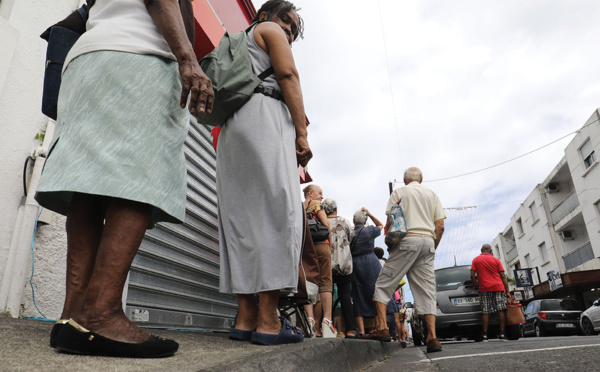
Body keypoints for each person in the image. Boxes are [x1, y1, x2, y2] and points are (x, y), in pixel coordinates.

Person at [34, 0, 213, 357]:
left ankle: (73, 316)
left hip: (89, 60)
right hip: (139, 57)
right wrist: (187, 58)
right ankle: (102, 312)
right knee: (135, 181)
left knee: (87, 185)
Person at [217, 0, 312, 346]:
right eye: (287, 21)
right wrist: (301, 132)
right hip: (266, 116)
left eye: (293, 30)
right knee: (276, 213)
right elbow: (288, 75)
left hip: (234, 125)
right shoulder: (268, 31)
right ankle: (269, 321)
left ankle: (245, 317)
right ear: (264, 15)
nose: (288, 30)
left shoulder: (237, 40)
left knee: (240, 218)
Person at [370, 167, 446, 353]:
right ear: (421, 179)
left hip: (407, 240)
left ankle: (382, 328)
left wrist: (391, 245)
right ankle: (432, 337)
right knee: (426, 291)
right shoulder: (432, 194)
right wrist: (431, 248)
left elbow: (390, 221)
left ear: (405, 180)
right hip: (428, 241)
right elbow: (440, 226)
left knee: (383, 284)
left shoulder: (399, 192)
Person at [302, 185, 336, 338]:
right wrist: (330, 245)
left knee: (307, 282)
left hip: (305, 248)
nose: (322, 197)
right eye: (320, 193)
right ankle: (327, 321)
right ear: (310, 193)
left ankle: (309, 320)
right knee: (325, 282)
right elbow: (326, 225)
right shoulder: (317, 205)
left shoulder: (299, 207)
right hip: (321, 246)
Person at [322, 198, 358, 338]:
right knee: (345, 296)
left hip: (327, 265)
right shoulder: (344, 221)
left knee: (326, 295)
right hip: (345, 264)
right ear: (336, 208)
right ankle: (350, 330)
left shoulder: (322, 222)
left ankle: (325, 328)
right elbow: (351, 238)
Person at [350, 207, 384, 337]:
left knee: (358, 296)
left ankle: (362, 332)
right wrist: (369, 213)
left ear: (353, 221)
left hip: (356, 264)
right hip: (371, 263)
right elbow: (380, 225)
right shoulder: (370, 230)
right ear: (365, 222)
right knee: (375, 294)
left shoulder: (350, 233)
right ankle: (379, 327)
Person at [470, 244, 511, 341]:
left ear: (481, 250)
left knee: (486, 312)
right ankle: (501, 334)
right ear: (491, 250)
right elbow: (503, 276)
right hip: (498, 287)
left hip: (484, 288)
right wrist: (508, 291)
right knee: (500, 310)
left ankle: (484, 335)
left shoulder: (476, 260)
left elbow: (472, 275)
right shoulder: (496, 260)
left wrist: (477, 286)